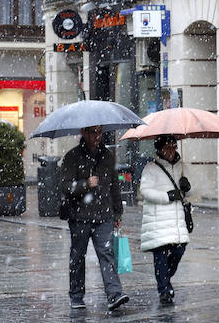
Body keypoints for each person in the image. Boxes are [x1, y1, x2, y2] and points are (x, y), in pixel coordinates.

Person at [60, 125, 129, 311]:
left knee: (107, 254)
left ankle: (114, 294)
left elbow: (114, 186)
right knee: (77, 256)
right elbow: (65, 186)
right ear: (83, 133)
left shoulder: (107, 156)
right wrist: (85, 184)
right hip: (80, 216)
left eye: (99, 132)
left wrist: (117, 212)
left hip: (103, 215)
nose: (97, 136)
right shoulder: (72, 156)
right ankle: (76, 295)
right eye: (92, 132)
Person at [139, 135, 193, 305]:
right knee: (161, 255)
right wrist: (166, 196)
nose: (172, 151)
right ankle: (164, 290)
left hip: (176, 220)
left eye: (174, 147)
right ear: (160, 149)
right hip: (158, 219)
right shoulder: (151, 168)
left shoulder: (181, 167)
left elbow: (191, 191)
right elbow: (145, 191)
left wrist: (187, 187)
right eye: (168, 147)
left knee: (179, 251)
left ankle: (164, 279)